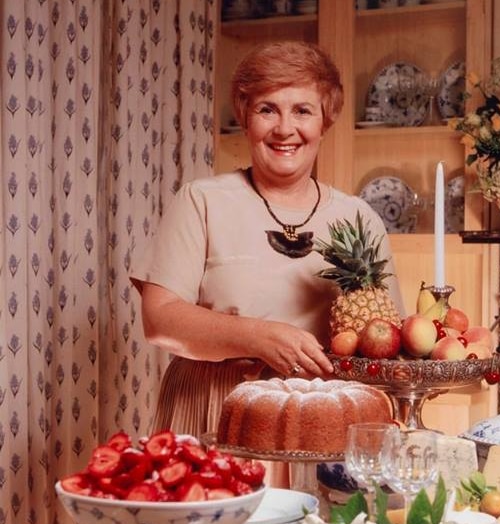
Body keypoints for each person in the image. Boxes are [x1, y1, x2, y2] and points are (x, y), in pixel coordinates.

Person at [130, 41, 404, 450]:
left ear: (325, 120)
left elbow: (387, 338)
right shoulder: (201, 201)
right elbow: (160, 319)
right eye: (267, 109)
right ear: (245, 118)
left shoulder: (358, 217)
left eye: (302, 110)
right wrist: (259, 336)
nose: (284, 129)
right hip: (215, 409)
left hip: (324, 419)